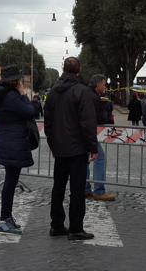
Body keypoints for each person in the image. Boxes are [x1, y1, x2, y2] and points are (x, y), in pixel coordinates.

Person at [44, 57, 98, 241]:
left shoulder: (52, 92)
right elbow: (87, 123)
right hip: (77, 149)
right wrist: (93, 147)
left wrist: (53, 144)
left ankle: (57, 225)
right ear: (79, 70)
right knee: (77, 189)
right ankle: (76, 228)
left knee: (58, 187)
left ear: (63, 69)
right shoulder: (82, 92)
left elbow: (48, 123)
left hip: (60, 148)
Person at [0, 65, 36, 235]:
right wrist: (24, 95)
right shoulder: (12, 96)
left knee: (10, 181)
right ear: (15, 81)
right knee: (10, 182)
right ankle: (4, 219)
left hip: (4, 140)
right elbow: (30, 112)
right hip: (14, 142)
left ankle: (7, 218)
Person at [85, 74, 116, 201]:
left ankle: (85, 189)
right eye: (104, 84)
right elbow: (96, 118)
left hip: (82, 132)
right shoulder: (94, 98)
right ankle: (99, 191)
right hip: (88, 133)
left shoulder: (86, 94)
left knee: (84, 160)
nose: (105, 86)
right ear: (97, 84)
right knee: (100, 157)